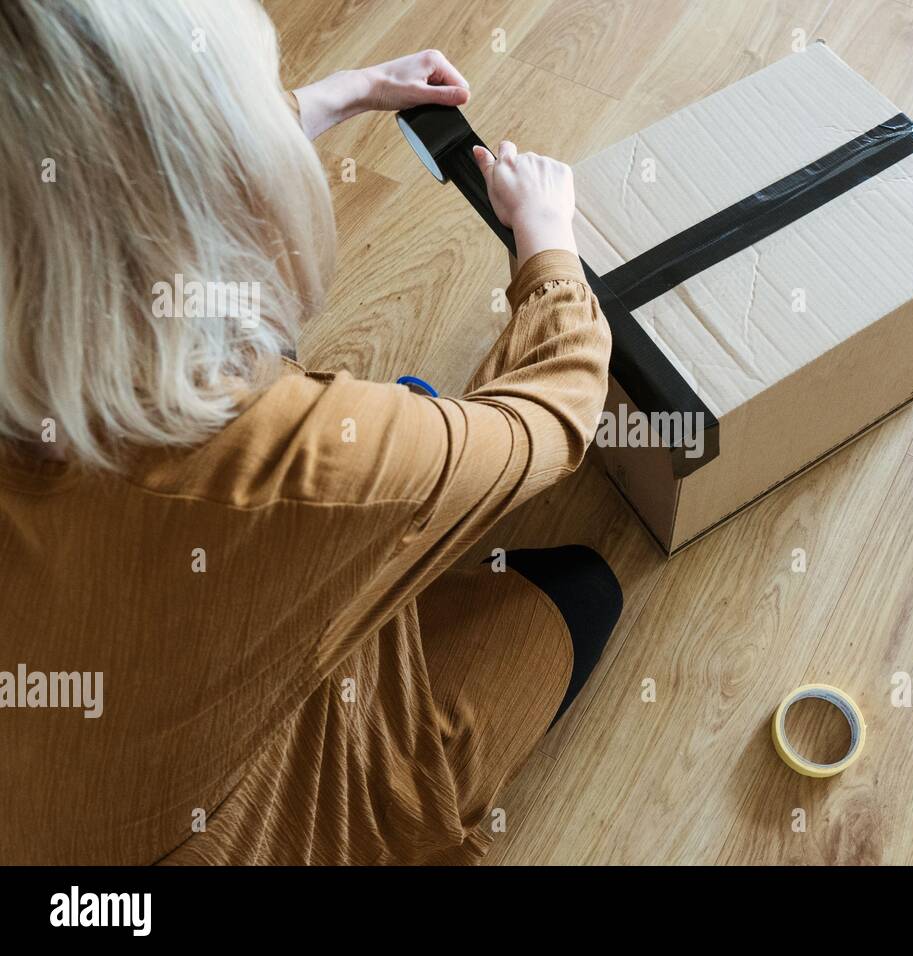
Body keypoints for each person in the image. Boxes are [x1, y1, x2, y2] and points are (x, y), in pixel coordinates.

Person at [0, 0, 619, 864]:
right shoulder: (281, 451)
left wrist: (347, 90)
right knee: (583, 590)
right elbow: (549, 422)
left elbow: (86, 191)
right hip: (212, 830)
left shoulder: (43, 283)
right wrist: (548, 247)